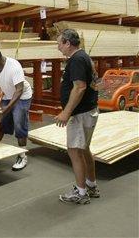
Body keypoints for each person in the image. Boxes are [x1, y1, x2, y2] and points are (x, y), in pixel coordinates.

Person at [55, 29, 99, 205]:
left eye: (59, 43)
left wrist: (66, 112)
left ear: (67, 43)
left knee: (74, 151)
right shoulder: (84, 57)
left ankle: (81, 193)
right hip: (88, 110)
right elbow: (92, 83)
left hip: (80, 114)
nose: (58, 47)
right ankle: (91, 185)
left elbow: (79, 87)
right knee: (84, 149)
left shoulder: (76, 60)